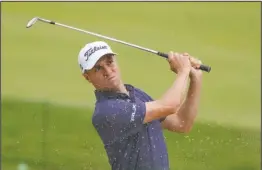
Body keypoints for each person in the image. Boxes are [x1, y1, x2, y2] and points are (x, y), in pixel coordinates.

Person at [78, 41, 203, 170]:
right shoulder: (107, 111)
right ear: (87, 77)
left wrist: (195, 78)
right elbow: (170, 105)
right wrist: (183, 71)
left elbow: (181, 123)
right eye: (98, 68)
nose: (108, 71)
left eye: (110, 62)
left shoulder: (136, 95)